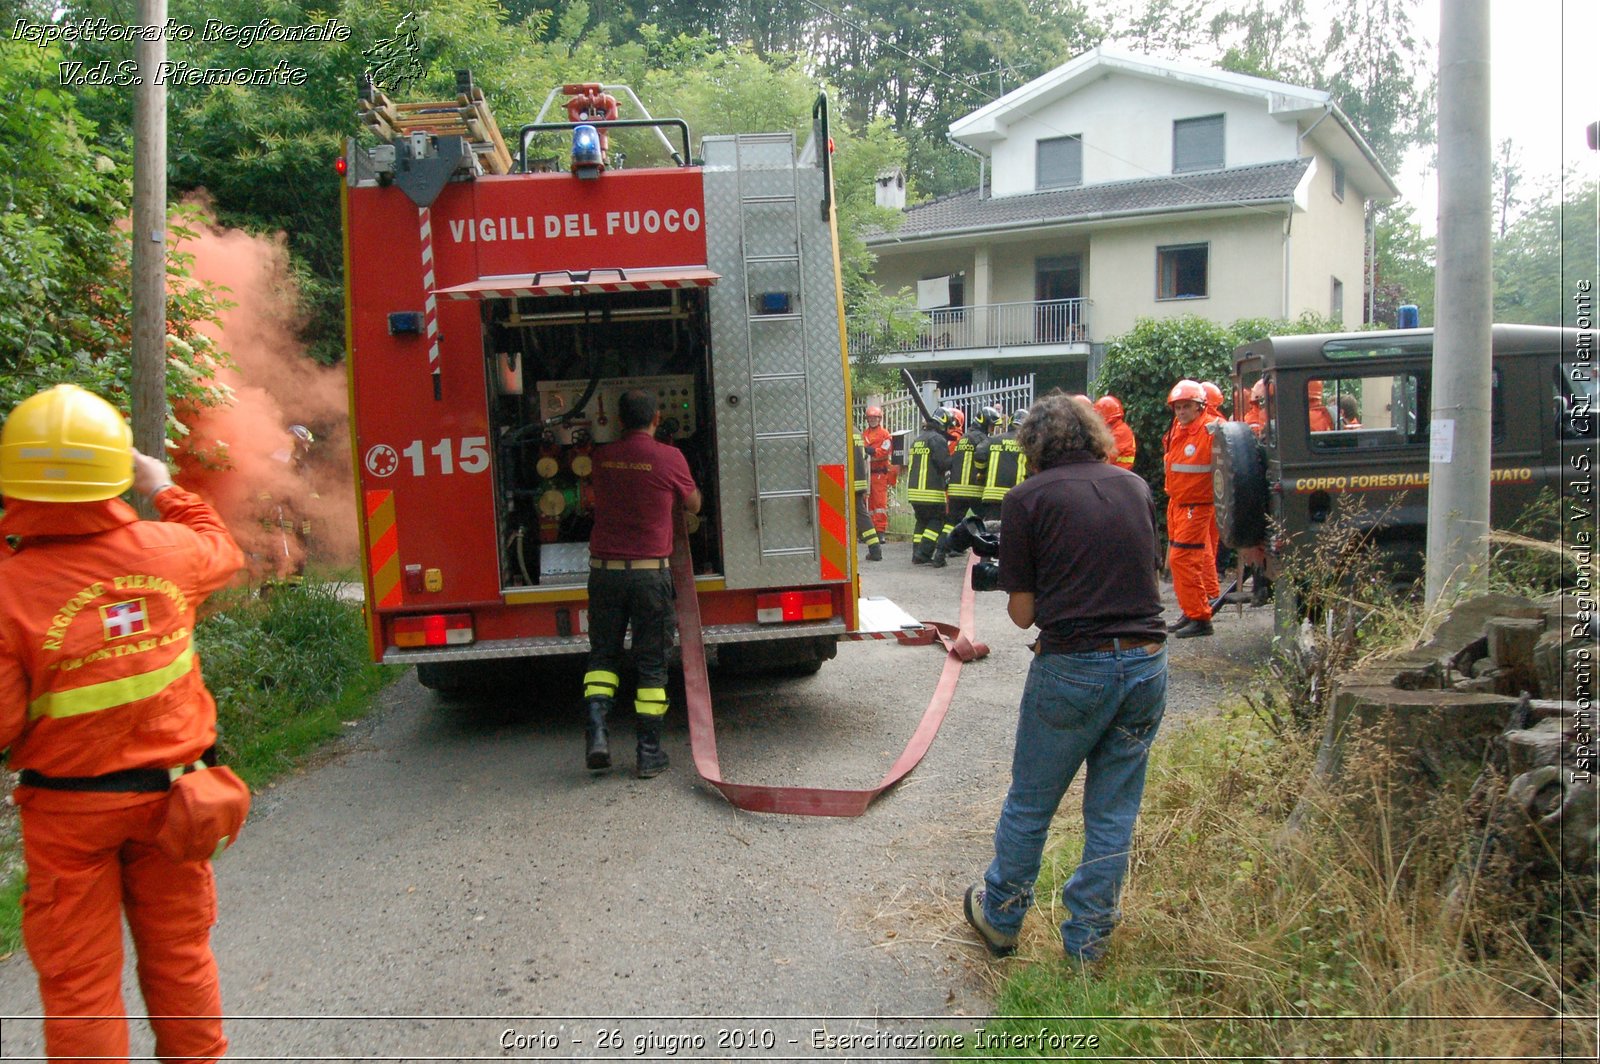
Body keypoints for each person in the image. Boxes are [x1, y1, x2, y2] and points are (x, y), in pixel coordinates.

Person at [0, 383, 245, 1062]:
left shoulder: (9, 586)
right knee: (181, 959)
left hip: (69, 816)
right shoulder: (168, 551)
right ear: (116, 473)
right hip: (175, 803)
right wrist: (165, 486)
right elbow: (221, 549)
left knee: (80, 986)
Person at [963, 392, 1167, 965]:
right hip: (1147, 663)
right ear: (1096, 435)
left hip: (1074, 667)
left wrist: (1011, 573)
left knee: (1031, 802)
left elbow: (1023, 614)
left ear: (1034, 444)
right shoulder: (1134, 486)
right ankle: (1088, 943)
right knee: (1112, 810)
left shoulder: (1027, 498)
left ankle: (1000, 918)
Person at [581, 389, 702, 777]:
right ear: (657, 417)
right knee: (651, 664)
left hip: (604, 574)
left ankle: (598, 738)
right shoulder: (669, 458)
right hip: (650, 575)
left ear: (618, 421)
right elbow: (694, 504)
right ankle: (648, 755)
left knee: (602, 658)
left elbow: (594, 497)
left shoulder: (601, 458)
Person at [1163, 380, 1216, 637]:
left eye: (1187, 407)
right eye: (1178, 407)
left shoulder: (1210, 430)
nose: (1181, 412)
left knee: (1183, 559)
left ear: (1200, 406)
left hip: (1197, 505)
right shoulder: (1179, 429)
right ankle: (1190, 610)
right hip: (1178, 503)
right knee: (1181, 560)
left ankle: (1201, 618)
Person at [939, 406, 994, 565]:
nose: (992, 429)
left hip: (956, 489)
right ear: (984, 423)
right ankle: (985, 558)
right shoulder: (981, 439)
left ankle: (940, 554)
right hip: (973, 489)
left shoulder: (963, 438)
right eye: (991, 425)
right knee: (986, 521)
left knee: (951, 522)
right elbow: (981, 457)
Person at [904, 408, 954, 565]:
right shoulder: (937, 439)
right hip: (931, 491)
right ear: (943, 424)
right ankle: (924, 553)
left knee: (921, 521)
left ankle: (916, 554)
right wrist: (956, 458)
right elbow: (943, 463)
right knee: (937, 521)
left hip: (914, 492)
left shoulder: (918, 439)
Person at [978, 409, 1026, 522]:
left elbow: (979, 453)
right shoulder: (1027, 443)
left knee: (991, 529)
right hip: (1015, 495)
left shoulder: (994, 439)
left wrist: (981, 471)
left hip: (991, 495)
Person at [852, 426, 884, 561]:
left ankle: (875, 550)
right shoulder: (857, 432)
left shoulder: (838, 430)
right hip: (859, 479)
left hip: (844, 479)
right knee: (861, 514)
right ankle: (875, 549)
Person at [861, 405, 894, 535]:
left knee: (880, 503)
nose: (872, 420)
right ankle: (869, 531)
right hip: (867, 473)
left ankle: (880, 531)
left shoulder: (885, 434)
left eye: (875, 418)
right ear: (867, 419)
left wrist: (873, 451)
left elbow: (885, 451)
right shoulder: (864, 434)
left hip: (879, 473)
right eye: (870, 418)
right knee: (867, 502)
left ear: (879, 419)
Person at [1093, 395, 1136, 470]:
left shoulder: (1120, 432)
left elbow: (1105, 457)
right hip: (1116, 472)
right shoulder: (1118, 429)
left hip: (1116, 473)